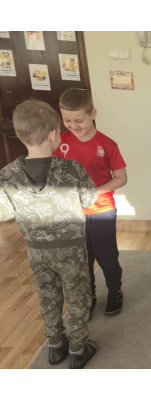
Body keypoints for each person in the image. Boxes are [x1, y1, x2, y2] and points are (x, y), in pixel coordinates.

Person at [0, 100, 98, 368]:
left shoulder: (6, 175)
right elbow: (90, 199)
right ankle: (78, 348)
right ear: (54, 134)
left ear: (20, 135)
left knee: (47, 295)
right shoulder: (72, 168)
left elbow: (3, 213)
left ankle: (55, 345)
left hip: (37, 250)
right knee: (77, 295)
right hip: (71, 248)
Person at [54, 88, 127, 319]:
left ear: (93, 114)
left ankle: (115, 291)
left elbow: (121, 178)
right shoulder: (59, 141)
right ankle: (90, 295)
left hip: (102, 210)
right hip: (73, 213)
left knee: (107, 257)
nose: (73, 126)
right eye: (67, 120)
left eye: (79, 120)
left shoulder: (107, 144)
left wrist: (94, 192)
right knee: (82, 259)